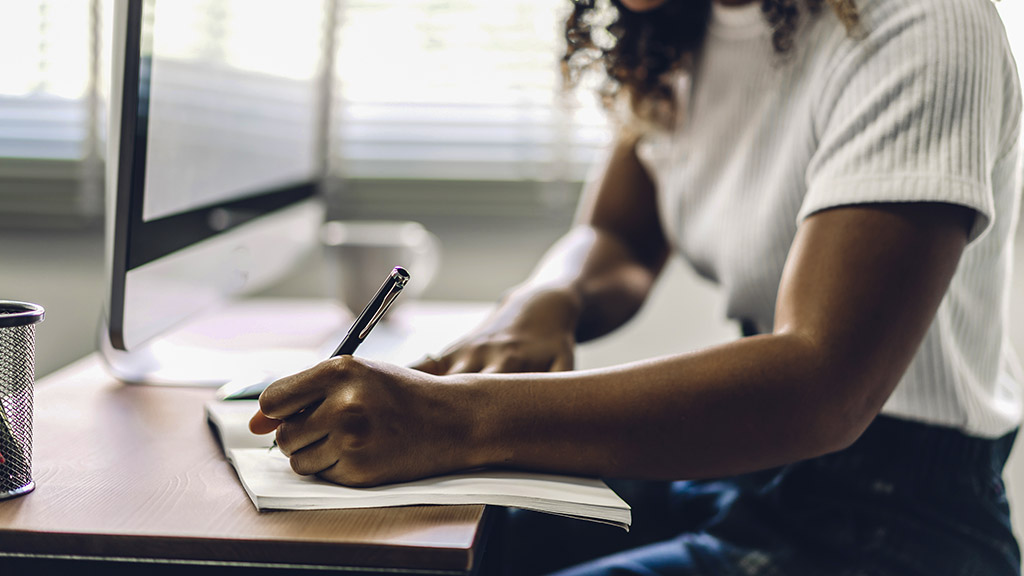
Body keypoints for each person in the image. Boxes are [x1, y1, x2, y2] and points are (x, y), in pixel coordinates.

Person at [249, 0, 1024, 573]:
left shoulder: (922, 25)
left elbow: (825, 386)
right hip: (748, 468)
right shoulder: (682, 27)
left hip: (902, 523)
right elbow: (618, 236)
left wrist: (455, 420)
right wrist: (544, 300)